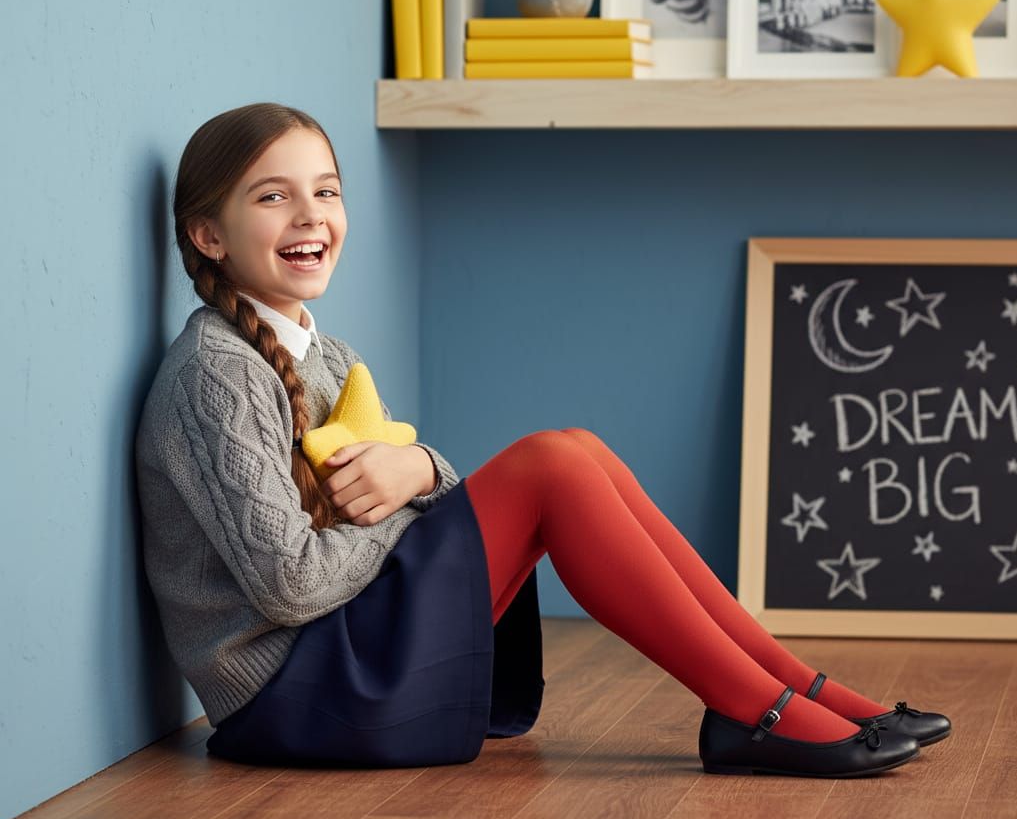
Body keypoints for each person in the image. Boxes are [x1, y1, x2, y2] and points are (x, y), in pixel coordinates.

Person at [134, 102, 951, 778]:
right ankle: (763, 711)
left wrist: (418, 468)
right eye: (274, 197)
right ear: (210, 235)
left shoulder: (326, 354)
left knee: (578, 448)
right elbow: (291, 587)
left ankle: (790, 688)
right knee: (552, 465)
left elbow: (417, 498)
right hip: (297, 692)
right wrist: (415, 501)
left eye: (328, 190)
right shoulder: (218, 373)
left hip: (341, 652)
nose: (312, 215)